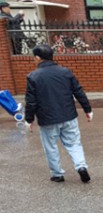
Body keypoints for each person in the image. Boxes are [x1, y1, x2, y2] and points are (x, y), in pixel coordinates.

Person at [24, 44, 93, 183]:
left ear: (38, 57)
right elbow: (78, 91)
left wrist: (29, 119)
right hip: (69, 115)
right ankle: (81, 166)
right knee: (74, 143)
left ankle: (57, 174)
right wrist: (88, 109)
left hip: (47, 118)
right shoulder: (65, 72)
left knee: (50, 147)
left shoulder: (33, 76)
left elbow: (31, 101)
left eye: (34, 57)